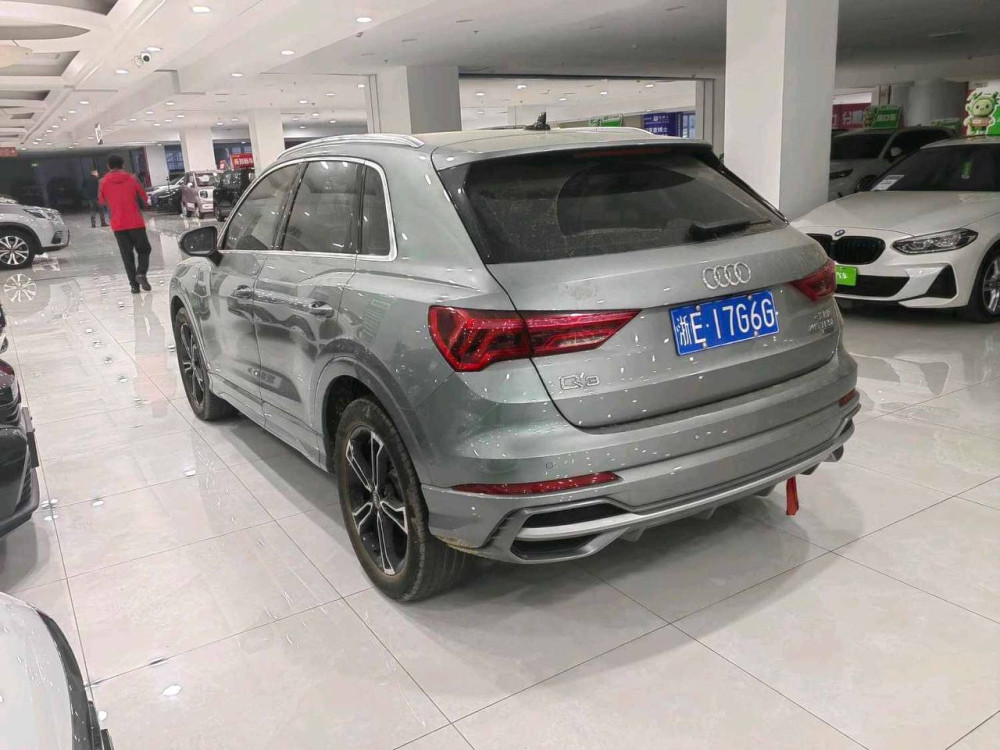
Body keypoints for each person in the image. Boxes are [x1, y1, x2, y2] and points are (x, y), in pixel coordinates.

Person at [98, 155, 152, 294]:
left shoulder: (103, 182)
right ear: (123, 165)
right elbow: (144, 196)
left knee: (127, 255)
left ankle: (134, 286)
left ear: (108, 166)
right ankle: (141, 273)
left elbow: (102, 201)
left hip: (118, 224)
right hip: (135, 222)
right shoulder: (132, 178)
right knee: (144, 249)